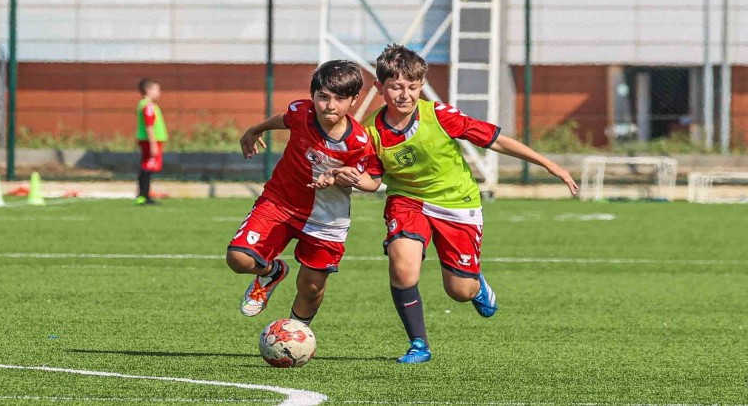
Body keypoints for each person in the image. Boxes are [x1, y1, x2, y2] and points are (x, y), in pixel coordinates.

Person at [337, 44, 578, 363]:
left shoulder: (439, 115)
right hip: (407, 200)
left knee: (459, 291)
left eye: (412, 86)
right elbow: (373, 181)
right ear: (380, 88)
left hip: (457, 203)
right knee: (402, 267)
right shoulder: (369, 130)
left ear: (421, 86)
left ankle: (476, 285)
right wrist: (353, 178)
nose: (405, 95)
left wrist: (549, 164)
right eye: (396, 87)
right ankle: (419, 345)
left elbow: (496, 140)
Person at [227, 60, 382, 326]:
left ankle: (296, 334)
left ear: (354, 100)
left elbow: (372, 182)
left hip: (327, 218)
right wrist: (256, 129)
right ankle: (272, 271)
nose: (330, 105)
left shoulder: (357, 142)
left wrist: (343, 175)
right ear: (313, 95)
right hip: (279, 202)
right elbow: (284, 119)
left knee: (311, 288)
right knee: (239, 258)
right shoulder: (301, 111)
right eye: (323, 97)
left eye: (340, 99)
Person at [135, 78, 168, 205]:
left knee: (147, 166)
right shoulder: (148, 106)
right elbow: (149, 125)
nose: (159, 92)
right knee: (148, 167)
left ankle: (143, 194)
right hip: (150, 141)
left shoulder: (146, 105)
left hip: (148, 141)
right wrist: (153, 143)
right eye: (156, 89)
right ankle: (144, 195)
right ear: (148, 90)